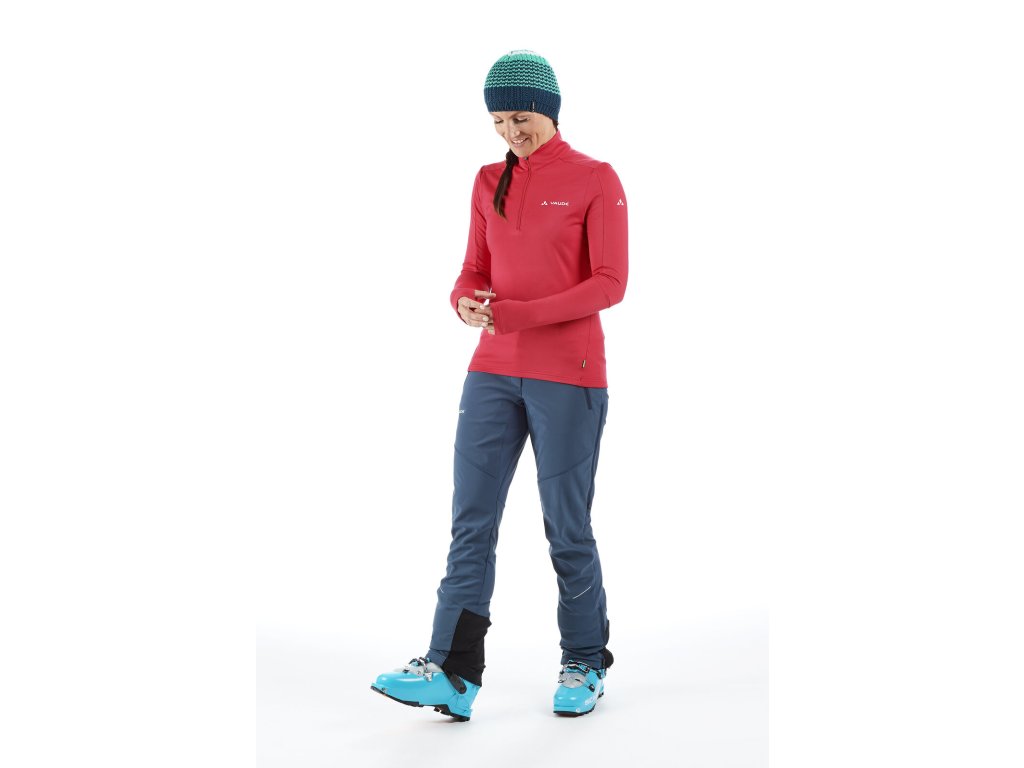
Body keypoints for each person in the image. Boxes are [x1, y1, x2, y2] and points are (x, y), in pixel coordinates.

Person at [370, 49, 628, 720]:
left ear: (549, 111)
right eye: (498, 121)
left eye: (521, 118)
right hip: (491, 372)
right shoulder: (488, 180)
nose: (512, 132)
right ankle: (453, 673)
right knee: (471, 522)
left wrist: (519, 314)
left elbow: (610, 283)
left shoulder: (595, 178)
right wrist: (462, 300)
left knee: (566, 526)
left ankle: (584, 662)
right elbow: (473, 267)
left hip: (568, 376)